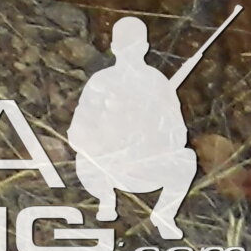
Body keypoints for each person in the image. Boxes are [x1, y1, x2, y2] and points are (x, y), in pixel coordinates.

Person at [68, 15, 200, 239]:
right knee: (83, 160)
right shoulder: (101, 82)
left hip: (146, 168)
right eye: (124, 46)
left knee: (187, 159)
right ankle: (106, 200)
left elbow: (178, 134)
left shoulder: (158, 83)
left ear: (145, 48)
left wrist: (154, 136)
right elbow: (77, 132)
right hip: (107, 167)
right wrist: (107, 147)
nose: (130, 52)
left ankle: (164, 215)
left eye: (135, 46)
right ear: (114, 47)